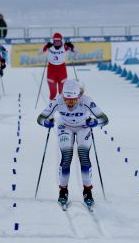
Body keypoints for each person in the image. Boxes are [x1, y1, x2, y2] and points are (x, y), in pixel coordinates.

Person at [36, 79, 109, 208]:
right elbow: (40, 118)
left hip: (83, 127)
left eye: (73, 100)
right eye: (67, 100)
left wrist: (95, 123)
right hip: (65, 127)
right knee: (67, 156)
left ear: (79, 97)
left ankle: (88, 190)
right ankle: (63, 191)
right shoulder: (58, 100)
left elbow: (104, 119)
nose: (69, 103)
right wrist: (45, 122)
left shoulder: (86, 101)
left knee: (83, 155)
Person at [42, 32, 75, 100]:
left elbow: (75, 50)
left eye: (58, 42)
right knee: (53, 93)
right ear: (53, 41)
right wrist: (46, 47)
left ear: (61, 41)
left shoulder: (64, 46)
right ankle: (51, 107)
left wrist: (71, 46)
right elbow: (42, 51)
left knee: (62, 92)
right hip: (51, 69)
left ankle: (62, 107)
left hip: (61, 69)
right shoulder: (50, 46)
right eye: (55, 42)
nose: (57, 43)